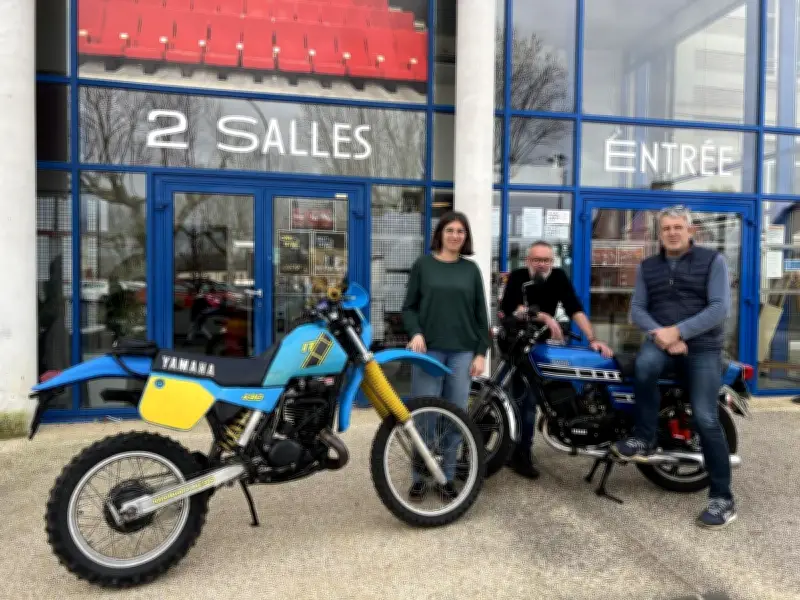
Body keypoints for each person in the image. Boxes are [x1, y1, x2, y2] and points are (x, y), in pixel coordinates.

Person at [611, 205, 735, 529]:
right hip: (660, 342)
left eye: (678, 227)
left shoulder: (713, 261)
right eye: (666, 228)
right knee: (643, 368)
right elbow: (638, 309)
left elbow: (719, 308)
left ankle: (722, 499)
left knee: (706, 417)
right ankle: (644, 438)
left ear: (690, 230)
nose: (672, 233)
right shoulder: (648, 266)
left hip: (703, 347)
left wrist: (679, 332)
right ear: (660, 233)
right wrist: (662, 336)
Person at [499, 240, 614, 479]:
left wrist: (592, 338)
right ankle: (516, 454)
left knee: (539, 399)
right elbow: (510, 307)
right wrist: (545, 317)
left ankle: (524, 450)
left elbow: (574, 308)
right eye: (537, 260)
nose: (542, 264)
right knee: (517, 400)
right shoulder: (518, 277)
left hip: (541, 347)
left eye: (546, 260)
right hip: (517, 344)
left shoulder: (558, 276)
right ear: (528, 260)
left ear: (552, 261)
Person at [402, 211, 491, 501]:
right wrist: (415, 332)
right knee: (424, 417)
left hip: (462, 352)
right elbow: (409, 308)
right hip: (428, 351)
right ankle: (419, 476)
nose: (455, 235)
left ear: (466, 237)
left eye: (460, 231)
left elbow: (481, 316)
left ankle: (447, 477)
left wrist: (481, 353)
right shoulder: (423, 265)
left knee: (455, 416)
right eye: (450, 230)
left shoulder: (471, 270)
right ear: (440, 234)